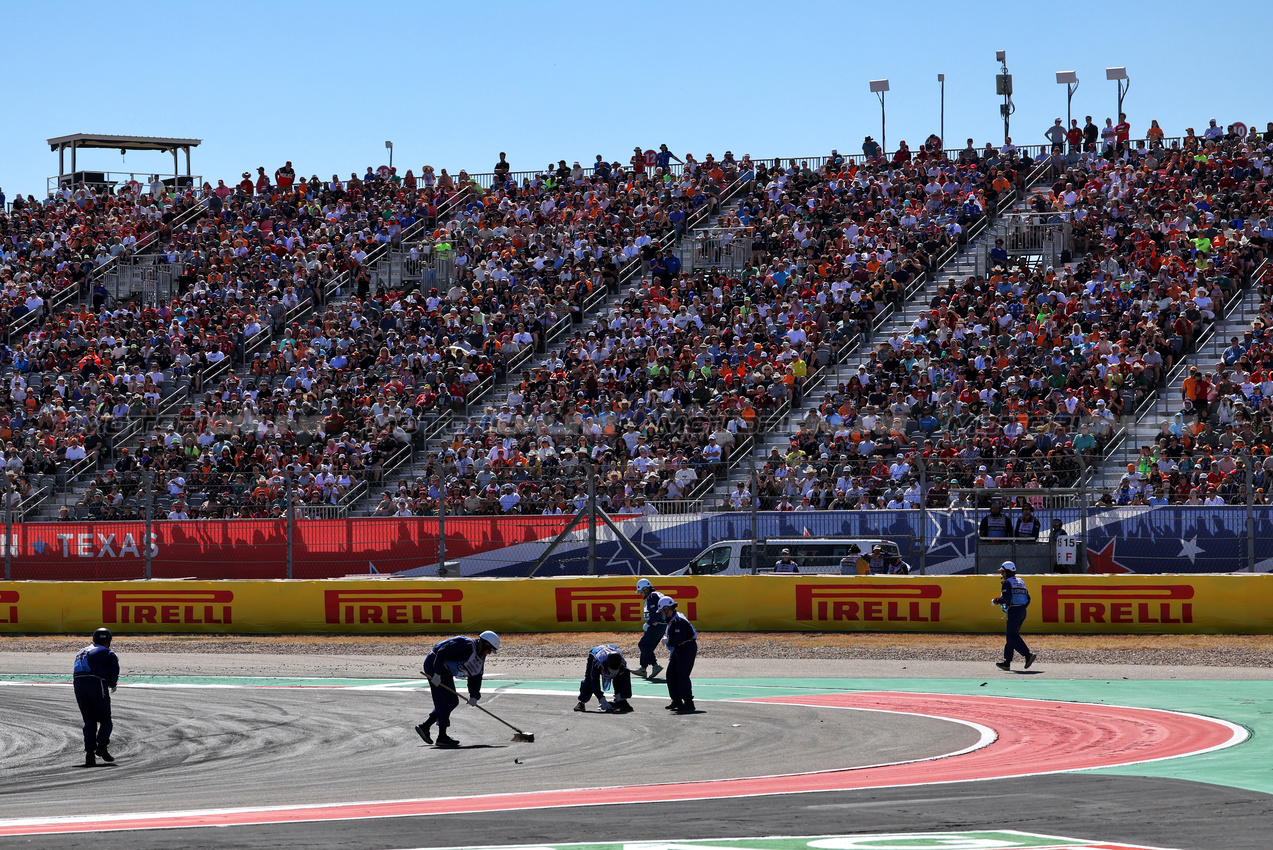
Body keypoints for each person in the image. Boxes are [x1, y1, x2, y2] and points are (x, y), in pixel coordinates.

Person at [416, 631, 499, 747]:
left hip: (445, 670)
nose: (489, 652)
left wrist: (474, 695)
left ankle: (425, 726)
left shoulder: (480, 657)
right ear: (484, 644)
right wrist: (437, 673)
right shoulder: (465, 644)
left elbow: (476, 676)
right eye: (489, 649)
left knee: (453, 701)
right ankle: (441, 737)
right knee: (447, 700)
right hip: (434, 664)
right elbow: (441, 652)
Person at [73, 628, 119, 767]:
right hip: (96, 683)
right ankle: (102, 746)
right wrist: (112, 684)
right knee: (106, 720)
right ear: (108, 641)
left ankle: (89, 755)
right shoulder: (108, 652)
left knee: (89, 721)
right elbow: (114, 670)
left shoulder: (81, 651)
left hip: (79, 685)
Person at [991, 561, 1036, 671]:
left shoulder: (1007, 583)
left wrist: (996, 601)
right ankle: (1007, 662)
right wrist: (1020, 607)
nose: (1002, 574)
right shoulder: (1021, 581)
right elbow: (1028, 598)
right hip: (1022, 611)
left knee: (1011, 636)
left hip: (1014, 611)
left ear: (1008, 572)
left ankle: (1027, 655)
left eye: (1003, 572)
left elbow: (1005, 599)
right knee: (1011, 636)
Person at [660, 597, 698, 713]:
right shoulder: (672, 619)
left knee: (682, 675)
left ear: (667, 609)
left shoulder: (679, 620)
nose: (661, 613)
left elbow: (680, 637)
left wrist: (669, 641)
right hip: (679, 648)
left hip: (686, 647)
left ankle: (688, 702)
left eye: (662, 610)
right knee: (671, 674)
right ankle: (676, 700)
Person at [574, 644, 634, 713]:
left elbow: (626, 680)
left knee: (620, 677)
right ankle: (582, 702)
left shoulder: (622, 664)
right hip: (595, 653)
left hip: (609, 649)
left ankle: (621, 700)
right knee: (589, 680)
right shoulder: (598, 662)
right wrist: (601, 698)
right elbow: (594, 680)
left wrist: (622, 696)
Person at [635, 578, 666, 680]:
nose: (641, 594)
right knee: (648, 646)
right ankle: (643, 669)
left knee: (643, 644)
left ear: (646, 590)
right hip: (661, 625)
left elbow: (657, 613)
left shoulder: (652, 596)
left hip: (657, 624)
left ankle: (655, 665)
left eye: (641, 592)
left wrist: (649, 623)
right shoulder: (656, 595)